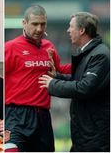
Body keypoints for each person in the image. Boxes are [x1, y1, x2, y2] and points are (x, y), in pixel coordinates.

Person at [39, 12, 110, 152]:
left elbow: (84, 87)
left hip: (95, 135)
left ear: (82, 30)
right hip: (85, 133)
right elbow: (77, 80)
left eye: (71, 27)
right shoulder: (87, 53)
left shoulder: (100, 55)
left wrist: (52, 84)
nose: (68, 30)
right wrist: (57, 77)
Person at [4, 5, 70, 152]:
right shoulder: (10, 47)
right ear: (24, 23)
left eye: (42, 24)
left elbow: (59, 71)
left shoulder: (49, 47)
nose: (39, 29)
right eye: (35, 24)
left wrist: (84, 63)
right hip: (15, 115)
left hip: (42, 116)